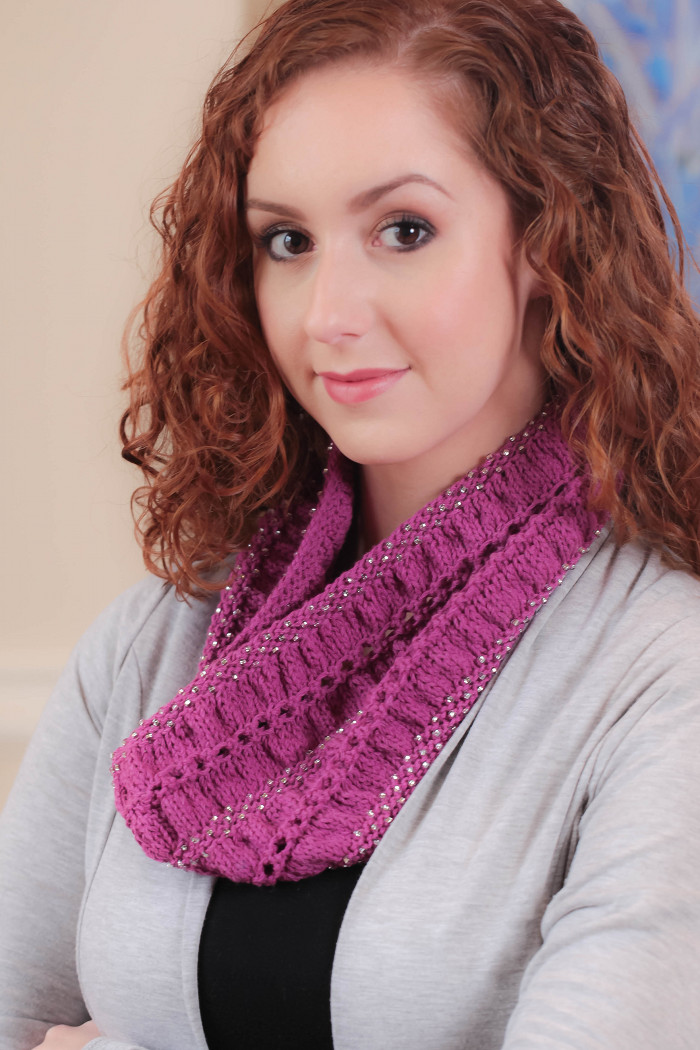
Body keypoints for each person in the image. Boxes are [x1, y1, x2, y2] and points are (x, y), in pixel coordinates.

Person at [2, 0, 700, 1047]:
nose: (326, 313)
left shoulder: (660, 675)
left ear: (547, 241)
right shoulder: (155, 648)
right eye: (286, 241)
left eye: (404, 231)